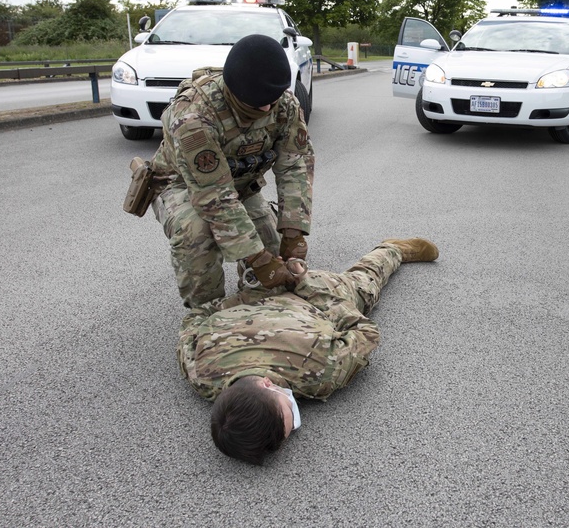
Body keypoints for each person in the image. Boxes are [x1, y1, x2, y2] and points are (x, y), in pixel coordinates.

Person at [177, 237, 440, 465]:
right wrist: (241, 301)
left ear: (269, 385)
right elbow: (194, 319)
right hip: (257, 287)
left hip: (313, 293)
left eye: (288, 414)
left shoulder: (318, 374)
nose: (295, 418)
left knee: (364, 283)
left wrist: (310, 292)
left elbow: (365, 333)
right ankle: (262, 261)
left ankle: (392, 249)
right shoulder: (203, 373)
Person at [149, 34, 315, 307]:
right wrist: (255, 257)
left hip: (240, 185)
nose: (266, 108)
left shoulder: (283, 104)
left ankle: (255, 307)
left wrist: (294, 233)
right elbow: (214, 195)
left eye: (271, 100)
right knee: (198, 234)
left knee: (272, 254)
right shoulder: (194, 116)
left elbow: (295, 166)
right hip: (182, 186)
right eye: (257, 102)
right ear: (235, 90)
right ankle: (204, 316)